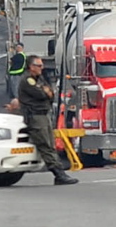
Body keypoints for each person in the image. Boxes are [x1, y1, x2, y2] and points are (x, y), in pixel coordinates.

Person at [18, 56, 78, 185]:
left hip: (44, 115)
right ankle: (58, 173)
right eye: (39, 66)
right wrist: (46, 92)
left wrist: (47, 92)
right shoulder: (27, 80)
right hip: (35, 117)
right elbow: (41, 94)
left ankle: (59, 172)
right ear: (31, 67)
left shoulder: (39, 79)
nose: (42, 68)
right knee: (45, 145)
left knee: (50, 145)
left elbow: (51, 93)